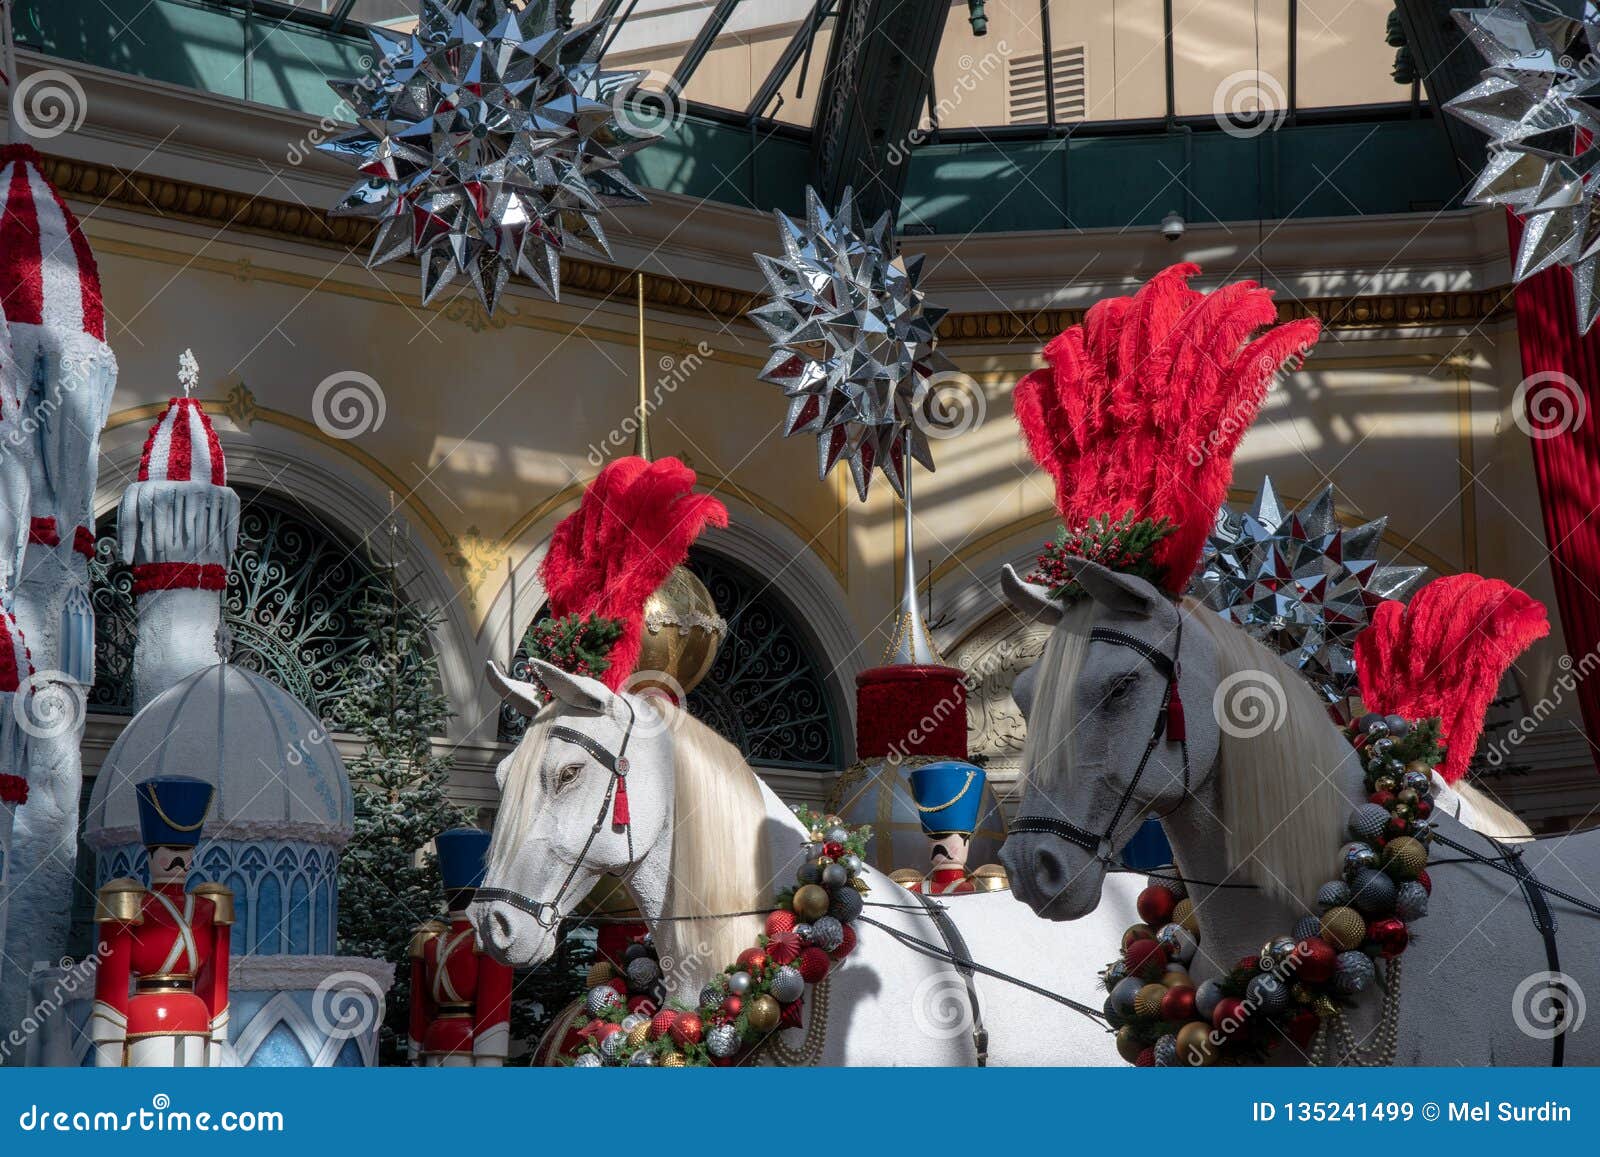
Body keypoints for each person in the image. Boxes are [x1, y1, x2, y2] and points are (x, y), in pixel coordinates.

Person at [91, 776, 232, 1066]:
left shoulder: (208, 904)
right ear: (151, 856)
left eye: (185, 853)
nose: (179, 861)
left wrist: (217, 1036)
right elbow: (112, 976)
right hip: (145, 1019)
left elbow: (216, 976)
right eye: (171, 853)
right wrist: (109, 1048)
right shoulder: (129, 898)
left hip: (196, 1019)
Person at [409, 828, 513, 1066]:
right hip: (468, 1045)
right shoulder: (488, 938)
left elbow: (418, 1008)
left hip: (432, 1039)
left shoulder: (429, 939)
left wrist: (415, 1051)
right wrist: (490, 1058)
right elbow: (493, 1006)